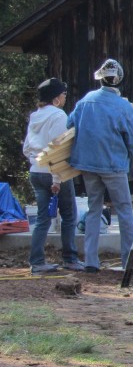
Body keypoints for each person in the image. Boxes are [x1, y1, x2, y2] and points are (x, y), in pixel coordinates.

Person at [67, 59, 133, 276]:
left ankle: (91, 262)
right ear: (119, 81)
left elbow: (70, 126)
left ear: (101, 79)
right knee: (124, 210)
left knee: (94, 209)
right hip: (113, 164)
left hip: (87, 164)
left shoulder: (85, 101)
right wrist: (124, 155)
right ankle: (131, 262)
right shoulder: (123, 106)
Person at [22, 78, 82, 274]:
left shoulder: (34, 116)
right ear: (56, 98)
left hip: (36, 171)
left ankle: (37, 261)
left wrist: (35, 162)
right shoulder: (58, 116)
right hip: (55, 173)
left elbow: (27, 148)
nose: (65, 97)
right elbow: (60, 149)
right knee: (69, 215)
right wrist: (57, 178)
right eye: (63, 94)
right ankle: (70, 258)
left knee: (42, 219)